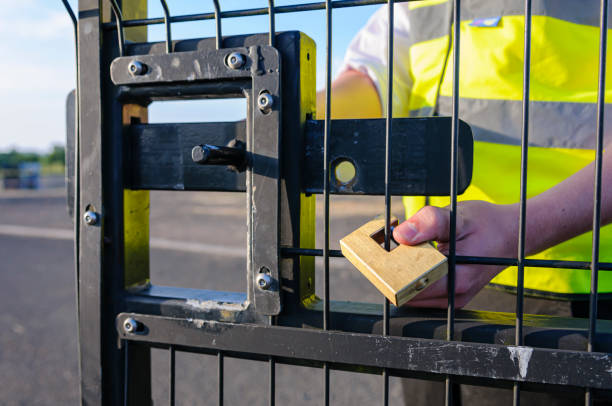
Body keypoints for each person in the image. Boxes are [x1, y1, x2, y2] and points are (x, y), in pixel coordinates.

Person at [318, 1, 612, 404]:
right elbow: (373, 79)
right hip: (431, 283)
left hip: (577, 294)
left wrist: (518, 229)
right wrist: (293, 117)